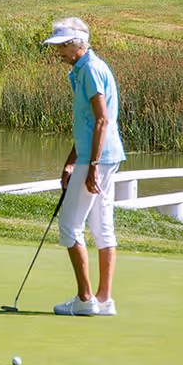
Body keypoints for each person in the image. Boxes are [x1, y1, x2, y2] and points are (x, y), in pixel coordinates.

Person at [44, 18, 126, 317]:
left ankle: (85, 298)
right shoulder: (85, 69)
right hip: (104, 156)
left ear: (75, 45)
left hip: (99, 158)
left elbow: (102, 119)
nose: (58, 53)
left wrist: (90, 165)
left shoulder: (90, 70)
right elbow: (88, 124)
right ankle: (104, 300)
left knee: (69, 225)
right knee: (102, 227)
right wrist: (71, 160)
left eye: (61, 47)